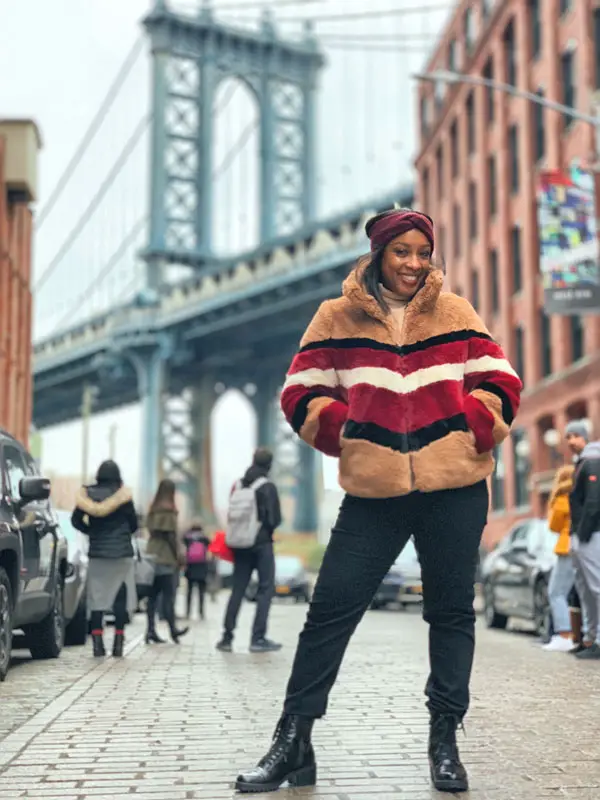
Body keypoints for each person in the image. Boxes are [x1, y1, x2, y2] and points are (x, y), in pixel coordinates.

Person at [234, 208, 522, 794]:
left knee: (450, 613)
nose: (414, 263)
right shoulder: (335, 318)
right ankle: (293, 743)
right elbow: (299, 391)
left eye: (423, 252)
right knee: (329, 612)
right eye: (402, 252)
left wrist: (471, 426)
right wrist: (349, 436)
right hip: (374, 491)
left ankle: (444, 743)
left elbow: (500, 381)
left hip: (454, 487)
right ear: (378, 255)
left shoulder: (456, 312)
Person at [216, 447, 282, 654]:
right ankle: (258, 638)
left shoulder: (238, 484)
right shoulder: (267, 486)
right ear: (269, 465)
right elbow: (274, 519)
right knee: (265, 589)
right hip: (261, 544)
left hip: (239, 544)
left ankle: (226, 638)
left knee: (238, 590)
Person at [71, 460, 138, 658]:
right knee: (120, 598)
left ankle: (97, 644)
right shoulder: (123, 496)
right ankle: (118, 642)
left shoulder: (88, 496)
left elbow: (75, 520)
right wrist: (122, 533)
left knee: (97, 599)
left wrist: (92, 531)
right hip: (121, 555)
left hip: (98, 553)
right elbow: (134, 524)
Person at [569, 424, 600, 660]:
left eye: (576, 435)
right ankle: (589, 637)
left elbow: (593, 502)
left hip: (591, 535)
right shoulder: (582, 462)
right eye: (568, 436)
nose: (571, 440)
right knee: (586, 590)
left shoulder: (592, 461)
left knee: (597, 587)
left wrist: (582, 534)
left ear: (586, 438)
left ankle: (597, 640)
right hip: (581, 535)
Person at [145, 479, 189, 644]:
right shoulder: (169, 511)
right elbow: (170, 536)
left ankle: (150, 630)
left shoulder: (153, 509)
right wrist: (178, 555)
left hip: (151, 555)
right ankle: (173, 630)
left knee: (152, 597)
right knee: (169, 596)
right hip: (165, 558)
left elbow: (150, 529)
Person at [544, 464, 576, 652]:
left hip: (566, 547)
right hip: (583, 546)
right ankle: (588, 635)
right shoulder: (581, 495)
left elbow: (554, 526)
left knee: (556, 592)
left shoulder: (562, 498)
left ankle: (564, 635)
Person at [183, 518, 211, 620]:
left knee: (189, 591)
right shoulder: (204, 538)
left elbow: (183, 544)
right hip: (202, 566)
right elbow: (209, 547)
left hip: (191, 566)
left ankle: (188, 612)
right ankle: (201, 612)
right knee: (201, 592)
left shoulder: (187, 537)